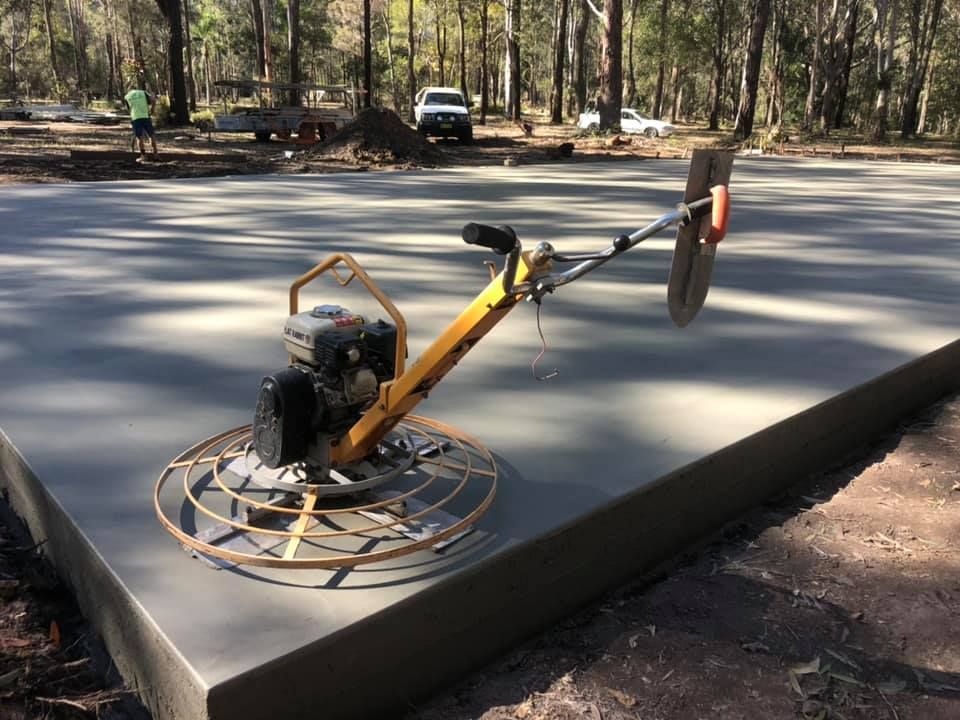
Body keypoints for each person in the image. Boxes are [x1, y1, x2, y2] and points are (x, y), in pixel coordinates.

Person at [123, 85, 158, 160]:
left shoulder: (127, 96)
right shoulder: (143, 93)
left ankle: (143, 155)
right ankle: (155, 154)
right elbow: (153, 99)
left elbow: (128, 109)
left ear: (129, 90)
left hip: (136, 118)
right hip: (146, 116)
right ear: (136, 89)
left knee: (139, 137)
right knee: (151, 135)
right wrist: (152, 109)